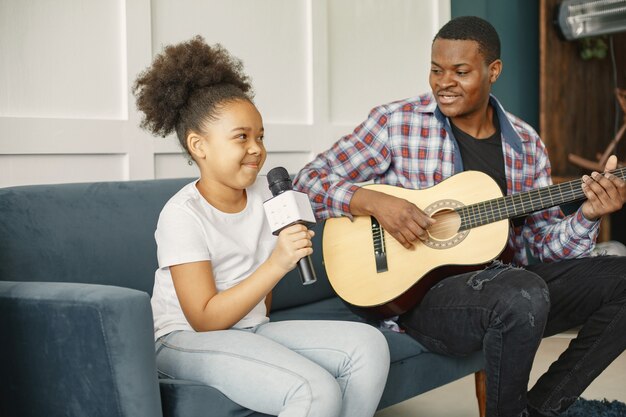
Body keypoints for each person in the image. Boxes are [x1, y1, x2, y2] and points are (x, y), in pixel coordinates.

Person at [293, 16, 626, 417]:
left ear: (493, 72)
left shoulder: (525, 144)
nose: (443, 83)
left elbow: (542, 246)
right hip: (425, 300)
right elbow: (307, 181)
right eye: (436, 70)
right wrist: (374, 203)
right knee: (519, 291)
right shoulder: (396, 123)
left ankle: (538, 409)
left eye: (460, 71)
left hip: (514, 288)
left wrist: (587, 214)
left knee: (596, 279)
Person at [132, 36, 389, 417]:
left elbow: (261, 303)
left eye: (260, 136)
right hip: (181, 339)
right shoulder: (182, 214)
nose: (256, 147)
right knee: (313, 390)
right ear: (199, 146)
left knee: (369, 346)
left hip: (250, 328)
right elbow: (204, 319)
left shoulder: (266, 197)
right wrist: (278, 262)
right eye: (241, 137)